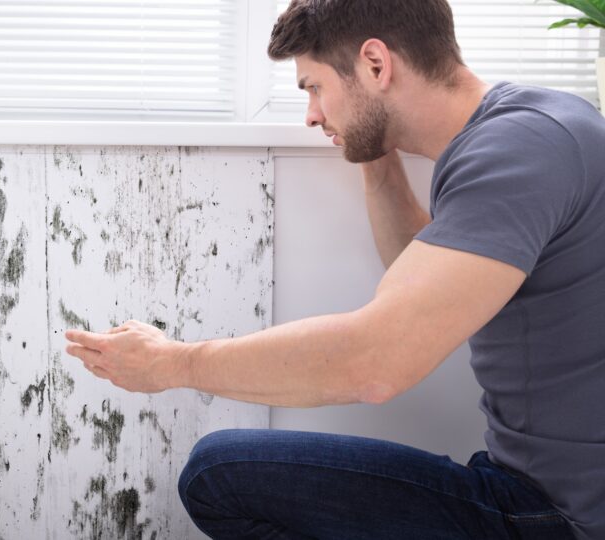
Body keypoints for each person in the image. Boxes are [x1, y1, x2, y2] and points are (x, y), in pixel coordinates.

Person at [63, 0, 605, 538]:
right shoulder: (529, 128)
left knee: (215, 473)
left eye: (314, 87)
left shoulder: (517, 152)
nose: (312, 115)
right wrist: (375, 149)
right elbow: (419, 271)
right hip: (534, 490)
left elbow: (375, 363)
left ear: (376, 64)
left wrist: (172, 364)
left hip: (553, 516)